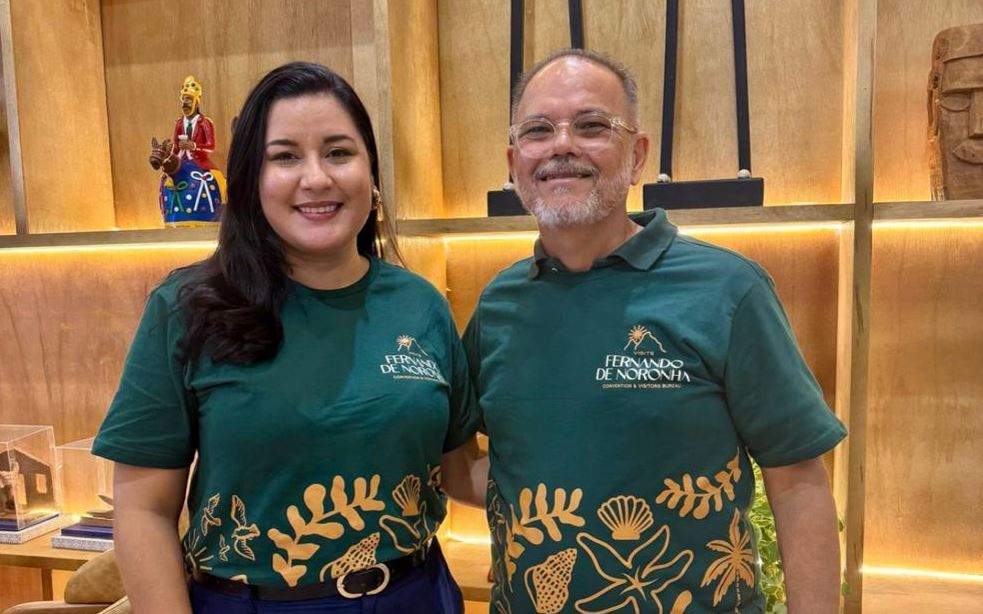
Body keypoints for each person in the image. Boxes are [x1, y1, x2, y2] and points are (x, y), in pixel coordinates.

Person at [462, 48, 847, 614]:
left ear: (638, 155)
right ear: (515, 160)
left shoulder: (729, 290)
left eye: (592, 125)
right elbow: (461, 458)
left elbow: (798, 480)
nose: (561, 145)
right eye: (538, 130)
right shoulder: (499, 304)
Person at [93, 62, 479, 613]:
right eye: (285, 156)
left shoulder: (421, 305)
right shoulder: (186, 308)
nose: (316, 178)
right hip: (251, 602)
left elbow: (460, 469)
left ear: (371, 172)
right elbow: (143, 509)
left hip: (414, 596)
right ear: (251, 179)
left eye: (339, 152)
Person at [173, 75, 219, 171]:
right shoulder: (179, 123)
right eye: (183, 100)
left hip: (200, 162)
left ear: (196, 103)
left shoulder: (205, 123)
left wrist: (194, 146)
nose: (185, 103)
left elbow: (211, 146)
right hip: (181, 160)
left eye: (188, 99)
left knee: (214, 179)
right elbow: (176, 146)